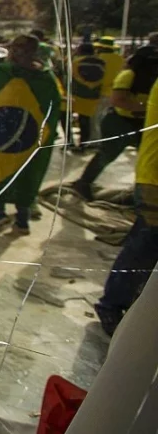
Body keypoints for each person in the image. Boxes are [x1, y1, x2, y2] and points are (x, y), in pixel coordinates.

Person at [0, 35, 61, 235]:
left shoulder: (0, 73)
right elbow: (53, 107)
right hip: (28, 139)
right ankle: (22, 221)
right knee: (25, 175)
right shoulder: (45, 78)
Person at [93, 77, 158, 336]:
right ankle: (112, 304)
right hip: (154, 179)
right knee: (145, 245)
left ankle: (125, 302)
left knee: (144, 242)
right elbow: (119, 98)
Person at [70, 45, 158, 201]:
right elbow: (117, 100)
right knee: (107, 154)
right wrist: (147, 108)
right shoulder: (129, 75)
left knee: (148, 158)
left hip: (141, 123)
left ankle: (143, 191)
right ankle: (83, 183)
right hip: (119, 122)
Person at [69, 42, 102, 149]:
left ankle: (71, 142)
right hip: (93, 95)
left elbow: (70, 78)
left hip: (77, 95)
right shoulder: (102, 62)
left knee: (65, 117)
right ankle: (83, 144)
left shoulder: (76, 62)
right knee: (85, 120)